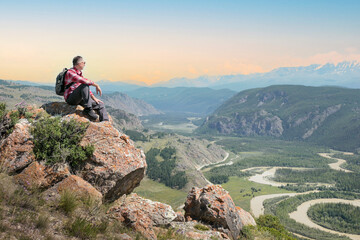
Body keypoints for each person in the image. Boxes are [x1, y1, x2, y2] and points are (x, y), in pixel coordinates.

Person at [64, 56, 109, 122]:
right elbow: (84, 82)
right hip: (71, 98)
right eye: (84, 62)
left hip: (79, 98)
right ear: (79, 64)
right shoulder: (70, 73)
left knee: (100, 104)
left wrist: (94, 98)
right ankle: (88, 109)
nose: (85, 64)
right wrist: (96, 85)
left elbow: (85, 89)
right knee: (84, 84)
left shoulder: (79, 73)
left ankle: (105, 122)